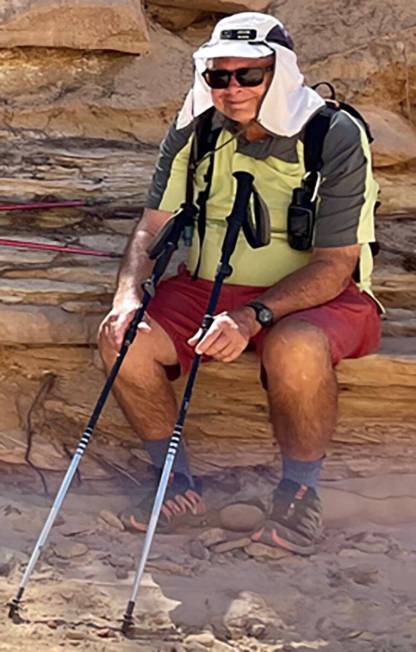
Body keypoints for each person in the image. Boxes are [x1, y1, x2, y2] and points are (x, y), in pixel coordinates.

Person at [98, 12, 382, 555]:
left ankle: (300, 494)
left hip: (316, 296)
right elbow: (152, 226)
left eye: (248, 75)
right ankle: (176, 487)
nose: (232, 89)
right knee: (121, 339)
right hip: (206, 288)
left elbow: (335, 265)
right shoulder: (195, 126)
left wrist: (253, 316)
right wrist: (128, 296)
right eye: (218, 76)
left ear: (280, 74)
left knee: (295, 346)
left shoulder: (333, 134)